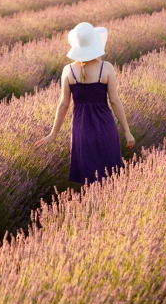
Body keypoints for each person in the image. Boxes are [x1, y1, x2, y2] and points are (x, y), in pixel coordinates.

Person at [35, 22, 135, 184]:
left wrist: (53, 134)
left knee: (88, 179)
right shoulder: (106, 68)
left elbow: (63, 105)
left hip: (82, 130)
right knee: (109, 177)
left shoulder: (68, 70)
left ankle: (91, 207)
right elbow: (115, 101)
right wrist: (127, 131)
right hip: (105, 128)